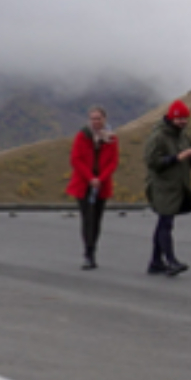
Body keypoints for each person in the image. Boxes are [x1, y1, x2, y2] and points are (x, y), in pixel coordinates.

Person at [141, 100, 191, 277]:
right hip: (162, 186)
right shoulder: (158, 136)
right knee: (165, 223)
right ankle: (171, 260)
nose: (183, 122)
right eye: (180, 118)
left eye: (185, 119)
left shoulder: (183, 136)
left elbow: (189, 162)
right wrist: (177, 157)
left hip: (177, 185)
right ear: (172, 117)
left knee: (164, 223)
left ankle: (156, 262)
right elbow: (152, 162)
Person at [66, 105, 119, 269]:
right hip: (84, 184)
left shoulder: (111, 138)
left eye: (99, 118)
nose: (96, 121)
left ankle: (92, 250)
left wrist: (100, 179)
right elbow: (76, 159)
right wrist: (90, 178)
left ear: (104, 119)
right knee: (88, 219)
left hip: (101, 186)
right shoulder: (82, 136)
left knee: (96, 220)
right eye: (93, 118)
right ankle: (88, 254)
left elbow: (113, 162)